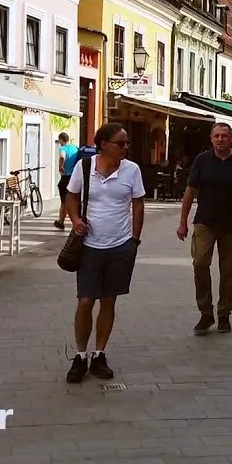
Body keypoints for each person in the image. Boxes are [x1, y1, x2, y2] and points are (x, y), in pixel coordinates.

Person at [63, 123, 145, 384]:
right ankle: (80, 355)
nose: (125, 147)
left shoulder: (132, 170)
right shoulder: (84, 167)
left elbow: (138, 203)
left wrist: (134, 240)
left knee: (108, 300)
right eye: (121, 143)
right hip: (89, 246)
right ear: (104, 144)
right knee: (85, 300)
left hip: (120, 245)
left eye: (127, 143)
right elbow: (71, 195)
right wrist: (75, 219)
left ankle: (99, 354)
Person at [179, 123, 232, 335]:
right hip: (205, 222)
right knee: (200, 263)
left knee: (227, 271)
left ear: (231, 138)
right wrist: (182, 221)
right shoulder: (202, 160)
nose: (220, 139)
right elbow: (190, 191)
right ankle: (206, 312)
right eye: (217, 136)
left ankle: (224, 313)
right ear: (211, 138)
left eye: (224, 136)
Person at [55, 132, 80, 230]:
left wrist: (60, 167)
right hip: (74, 176)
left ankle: (61, 222)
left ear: (61, 140)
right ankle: (76, 221)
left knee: (64, 202)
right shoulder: (75, 148)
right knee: (75, 200)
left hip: (66, 177)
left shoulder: (63, 148)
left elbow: (62, 156)